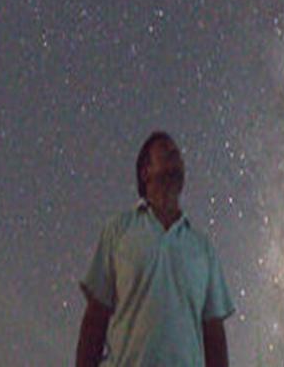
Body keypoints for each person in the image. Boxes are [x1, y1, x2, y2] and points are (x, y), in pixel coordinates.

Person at [76, 131, 235, 366]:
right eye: (166, 150)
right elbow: (95, 318)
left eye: (178, 154)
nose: (176, 155)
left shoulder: (203, 248)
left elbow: (214, 333)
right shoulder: (119, 231)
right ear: (145, 172)